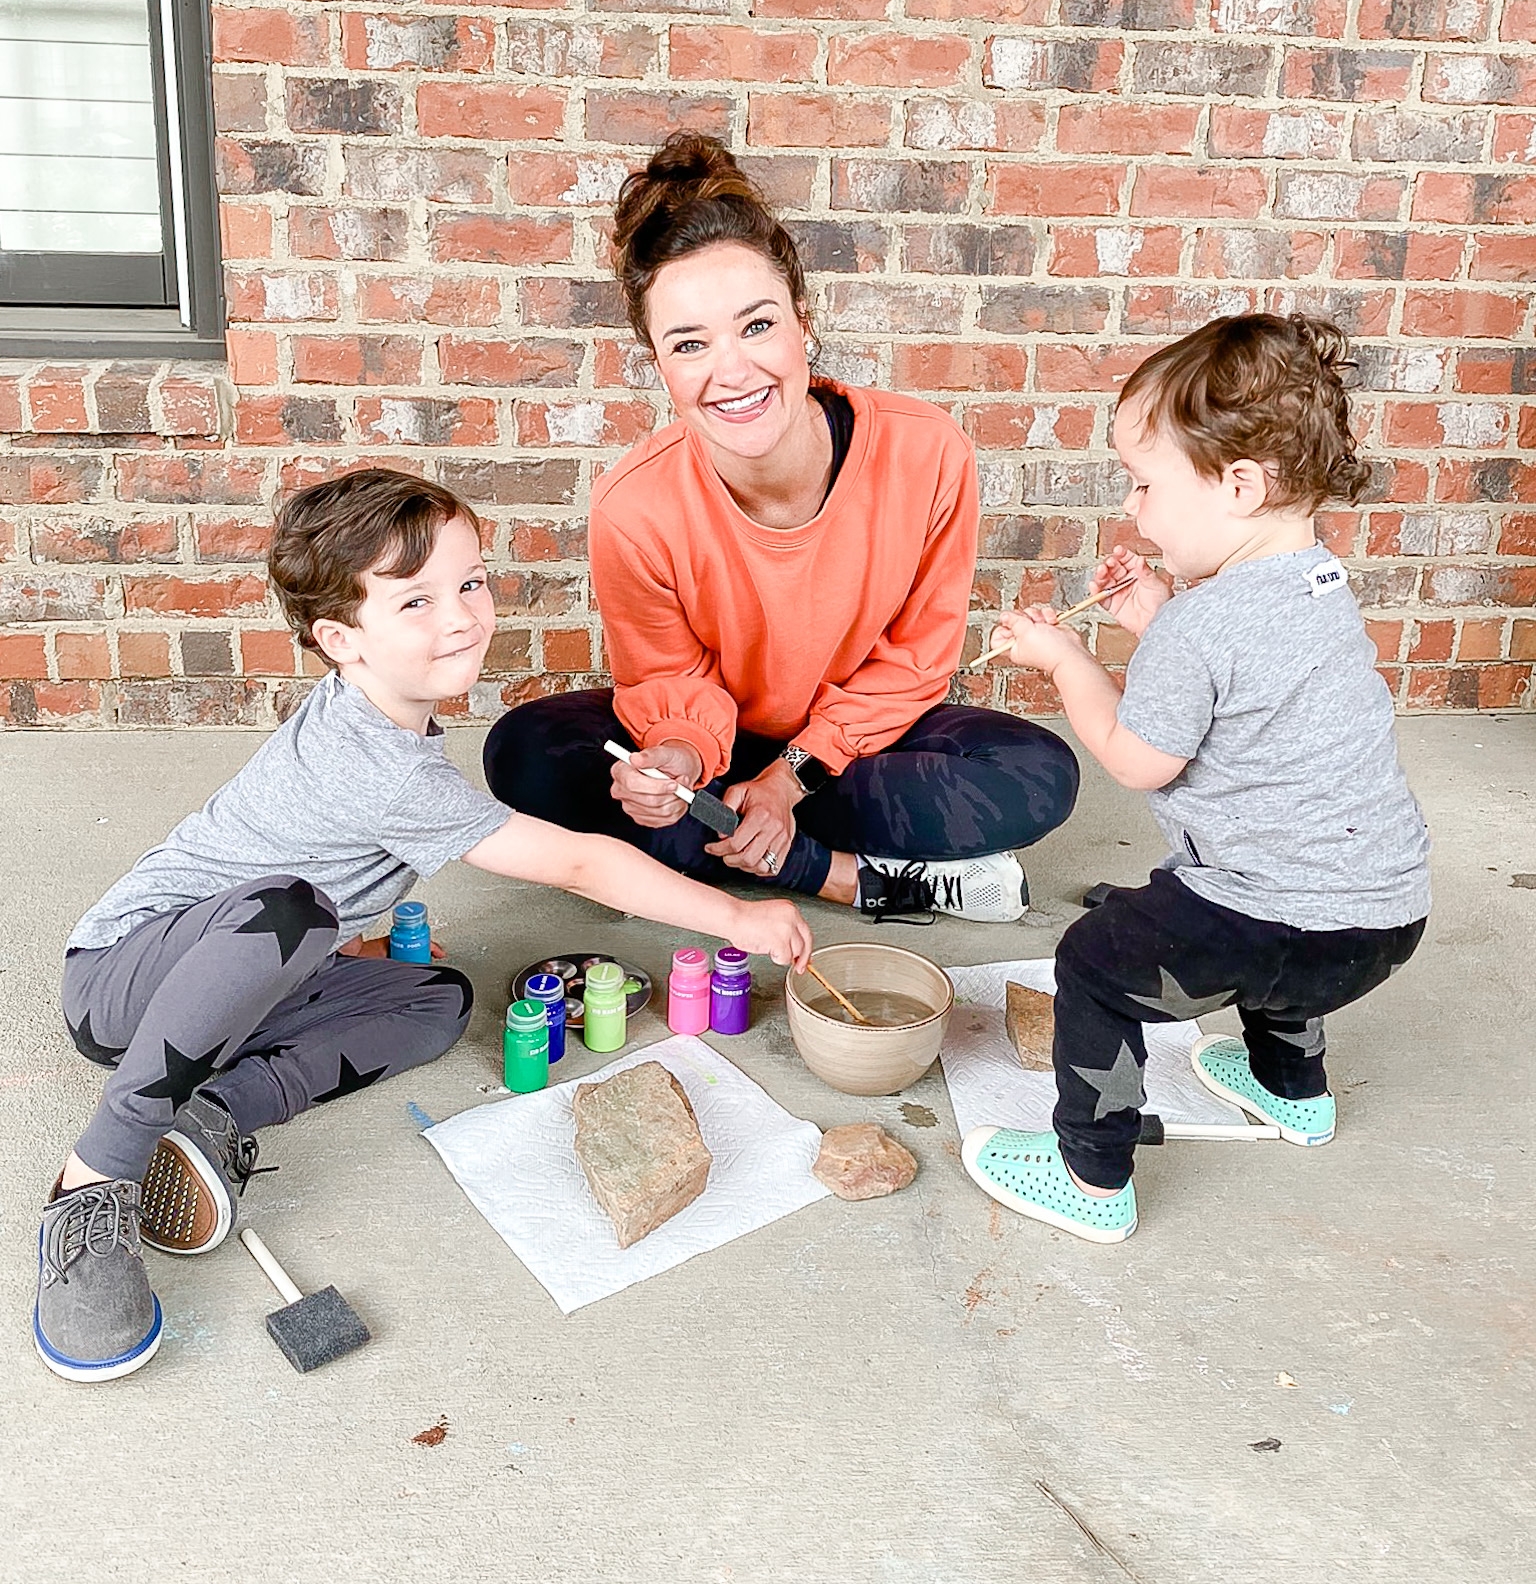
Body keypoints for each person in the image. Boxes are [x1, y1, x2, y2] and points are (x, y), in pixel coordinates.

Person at [36, 468, 810, 1383]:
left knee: (436, 999)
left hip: (241, 969)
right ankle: (97, 1174)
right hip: (119, 983)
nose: (461, 618)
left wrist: (357, 946)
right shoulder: (380, 763)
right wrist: (733, 914)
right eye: (416, 602)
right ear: (340, 639)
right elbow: (576, 861)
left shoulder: (389, 721)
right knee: (289, 914)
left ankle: (211, 1110)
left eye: (471, 583)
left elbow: (327, 856)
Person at [483, 134, 1079, 925]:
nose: (730, 372)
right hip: (717, 750)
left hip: (855, 746)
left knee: (1037, 772)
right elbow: (668, 681)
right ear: (658, 362)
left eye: (756, 327)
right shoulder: (633, 506)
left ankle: (748, 852)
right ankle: (847, 874)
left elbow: (914, 665)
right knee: (524, 754)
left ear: (801, 320)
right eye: (689, 344)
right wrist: (674, 761)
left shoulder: (927, 451)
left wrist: (786, 781)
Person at [961, 314, 1430, 1243]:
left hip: (1272, 919)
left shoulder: (1200, 630)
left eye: (1145, 484)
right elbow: (1237, 689)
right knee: (1268, 944)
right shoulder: (1318, 584)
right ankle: (1292, 1090)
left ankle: (1090, 1177)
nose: (1135, 510)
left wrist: (1066, 664)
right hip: (1383, 919)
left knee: (1095, 963)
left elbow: (1140, 753)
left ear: (1240, 485)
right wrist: (1156, 617)